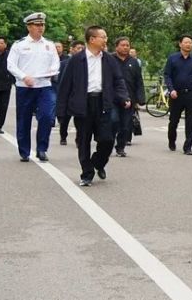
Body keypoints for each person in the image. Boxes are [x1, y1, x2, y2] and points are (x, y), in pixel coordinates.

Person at [56, 26, 130, 186]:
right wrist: (61, 111)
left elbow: (118, 80)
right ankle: (87, 174)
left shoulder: (109, 59)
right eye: (102, 37)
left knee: (107, 139)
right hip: (83, 104)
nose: (105, 40)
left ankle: (97, 162)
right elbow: (65, 86)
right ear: (92, 39)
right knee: (84, 141)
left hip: (103, 103)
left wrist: (124, 96)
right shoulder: (76, 60)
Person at [6, 13, 60, 161]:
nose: (40, 28)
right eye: (37, 25)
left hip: (44, 86)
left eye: (42, 25)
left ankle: (42, 148)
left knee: (47, 117)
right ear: (29, 27)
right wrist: (24, 77)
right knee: (24, 119)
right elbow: (11, 65)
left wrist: (52, 71)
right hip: (25, 86)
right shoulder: (20, 45)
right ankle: (24, 151)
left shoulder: (49, 45)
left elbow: (56, 63)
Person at [163, 34, 192, 154]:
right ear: (180, 44)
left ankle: (188, 147)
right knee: (174, 121)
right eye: (186, 42)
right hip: (176, 95)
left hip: (191, 94)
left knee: (191, 121)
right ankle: (171, 140)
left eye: (190, 42)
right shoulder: (172, 58)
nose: (188, 44)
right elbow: (167, 75)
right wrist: (171, 89)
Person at [112, 37, 145, 157]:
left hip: (129, 100)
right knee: (113, 121)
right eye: (123, 45)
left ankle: (120, 147)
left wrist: (140, 98)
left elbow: (138, 81)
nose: (126, 47)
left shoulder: (134, 62)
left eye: (127, 45)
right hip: (113, 98)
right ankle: (108, 143)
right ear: (116, 47)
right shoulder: (110, 59)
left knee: (125, 126)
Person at [57, 41, 84, 144]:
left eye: (82, 48)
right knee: (64, 120)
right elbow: (61, 81)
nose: (80, 50)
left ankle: (79, 138)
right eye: (78, 48)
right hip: (67, 96)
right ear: (71, 49)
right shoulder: (64, 64)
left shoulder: (85, 63)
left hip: (79, 96)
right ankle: (63, 136)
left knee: (80, 120)